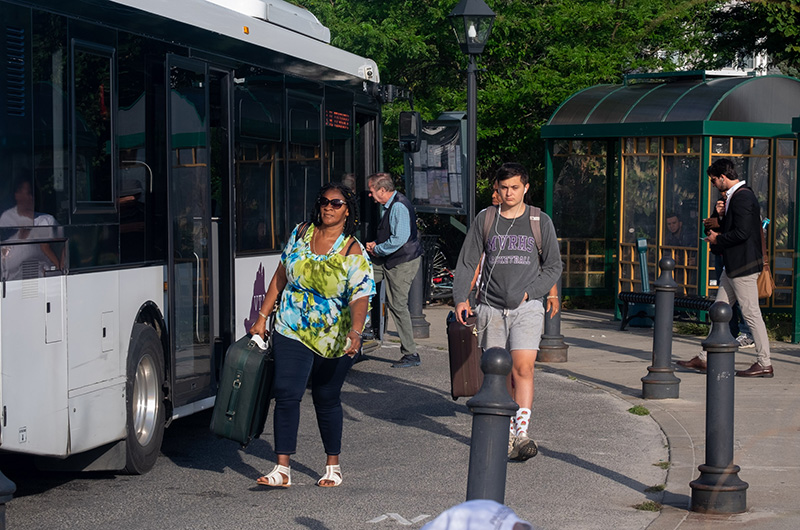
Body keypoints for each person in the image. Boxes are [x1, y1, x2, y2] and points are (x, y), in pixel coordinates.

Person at [249, 182, 375, 488]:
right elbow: (281, 275)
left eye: (336, 203)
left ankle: (333, 464)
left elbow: (361, 296)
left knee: (326, 397)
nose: (329, 208)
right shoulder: (301, 232)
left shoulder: (353, 249)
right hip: (290, 326)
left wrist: (356, 333)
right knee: (287, 394)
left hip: (335, 335)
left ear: (348, 211)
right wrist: (262, 317)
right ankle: (282, 469)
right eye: (324, 202)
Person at [453, 162, 562, 461]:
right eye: (504, 188)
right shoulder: (485, 219)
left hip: (527, 307)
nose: (509, 193)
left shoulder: (540, 221)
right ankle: (505, 430)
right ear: (497, 190)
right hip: (490, 305)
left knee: (523, 368)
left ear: (526, 188)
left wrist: (531, 292)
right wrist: (461, 298)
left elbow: (553, 265)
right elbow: (467, 260)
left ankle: (522, 431)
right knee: (498, 373)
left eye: (515, 187)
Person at [677, 159, 772, 377]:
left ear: (723, 177)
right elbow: (737, 228)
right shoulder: (734, 198)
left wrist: (718, 239)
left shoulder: (742, 197)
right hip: (734, 266)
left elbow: (742, 233)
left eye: (713, 180)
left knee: (750, 314)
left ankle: (764, 362)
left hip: (743, 266)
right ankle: (705, 357)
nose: (712, 184)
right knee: (718, 310)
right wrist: (720, 217)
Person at [365, 172, 423, 368]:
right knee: (362, 283)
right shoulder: (394, 204)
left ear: (382, 190)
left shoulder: (398, 206)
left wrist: (377, 248)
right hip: (391, 258)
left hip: (401, 261)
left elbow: (399, 239)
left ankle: (411, 353)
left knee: (397, 304)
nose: (370, 195)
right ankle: (362, 328)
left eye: (372, 191)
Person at [0, 176, 62, 280]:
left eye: (32, 194)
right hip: (9, 285)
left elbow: (66, 245)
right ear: (16, 195)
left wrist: (60, 269)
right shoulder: (5, 219)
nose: (30, 198)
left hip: (43, 284)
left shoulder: (46, 221)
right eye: (27, 193)